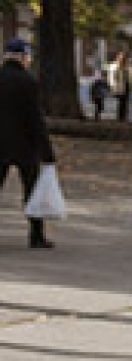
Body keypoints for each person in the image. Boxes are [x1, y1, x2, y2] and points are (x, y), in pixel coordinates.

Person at [0, 38, 56, 249]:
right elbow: (35, 118)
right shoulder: (28, 81)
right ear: (23, 56)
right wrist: (46, 151)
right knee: (31, 190)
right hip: (25, 146)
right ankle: (36, 235)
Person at [108, 50, 132, 121]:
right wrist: (113, 86)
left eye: (124, 59)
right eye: (122, 59)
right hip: (119, 86)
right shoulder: (114, 66)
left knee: (125, 102)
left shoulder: (126, 67)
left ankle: (123, 117)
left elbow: (129, 76)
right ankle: (119, 117)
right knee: (120, 102)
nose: (123, 60)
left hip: (126, 86)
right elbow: (112, 77)